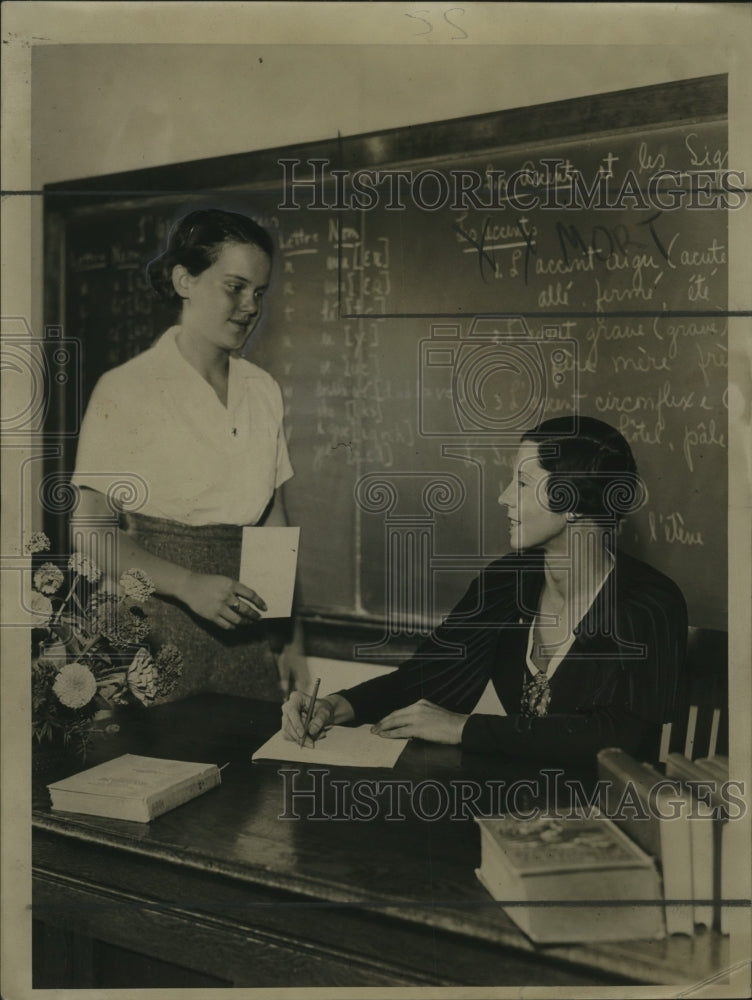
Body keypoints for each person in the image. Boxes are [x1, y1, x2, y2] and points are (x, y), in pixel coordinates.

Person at [282, 416, 687, 764]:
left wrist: (465, 728)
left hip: (608, 818)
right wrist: (336, 705)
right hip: (517, 801)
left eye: (523, 484)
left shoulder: (651, 604)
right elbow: (426, 678)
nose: (504, 497)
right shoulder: (504, 583)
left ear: (573, 502)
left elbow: (616, 738)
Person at [71, 208, 301, 703]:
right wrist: (189, 584)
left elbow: (273, 520)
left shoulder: (262, 391)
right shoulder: (126, 388)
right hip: (151, 622)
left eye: (258, 292)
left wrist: (284, 638)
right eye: (234, 286)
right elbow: (90, 531)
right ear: (185, 281)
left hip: (245, 629)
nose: (249, 306)